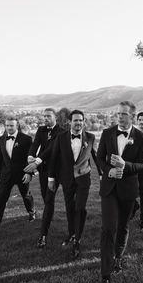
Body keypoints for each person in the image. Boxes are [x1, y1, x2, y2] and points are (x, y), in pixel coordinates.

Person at [97, 101, 143, 283]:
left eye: (124, 114)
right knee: (108, 228)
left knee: (123, 227)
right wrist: (108, 171)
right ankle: (105, 274)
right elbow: (99, 158)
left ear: (132, 117)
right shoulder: (107, 133)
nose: (119, 116)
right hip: (109, 188)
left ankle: (118, 256)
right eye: (118, 113)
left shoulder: (141, 137)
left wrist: (125, 165)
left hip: (128, 188)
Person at [48, 109, 102, 259]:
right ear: (70, 122)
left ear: (84, 122)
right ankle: (71, 233)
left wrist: (103, 174)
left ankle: (77, 240)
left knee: (80, 208)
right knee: (69, 208)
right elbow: (53, 158)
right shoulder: (60, 137)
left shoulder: (90, 138)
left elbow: (96, 157)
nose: (78, 123)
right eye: (75, 120)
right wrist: (51, 178)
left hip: (84, 178)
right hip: (66, 179)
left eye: (80, 120)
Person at [24, 108, 63, 248]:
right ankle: (48, 216)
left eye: (48, 116)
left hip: (57, 170)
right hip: (44, 169)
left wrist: (37, 160)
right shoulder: (41, 130)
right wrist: (30, 155)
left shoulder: (61, 131)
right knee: (47, 199)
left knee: (49, 199)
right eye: (44, 116)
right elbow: (35, 144)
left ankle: (43, 235)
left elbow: (52, 148)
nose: (45, 118)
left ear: (55, 117)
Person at [0, 115, 35, 231]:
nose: (9, 128)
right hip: (6, 175)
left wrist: (29, 173)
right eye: (7, 125)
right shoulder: (1, 138)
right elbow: (0, 158)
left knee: (26, 196)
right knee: (0, 200)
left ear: (17, 125)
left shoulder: (27, 139)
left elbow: (30, 158)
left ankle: (31, 211)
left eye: (11, 125)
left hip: (22, 174)